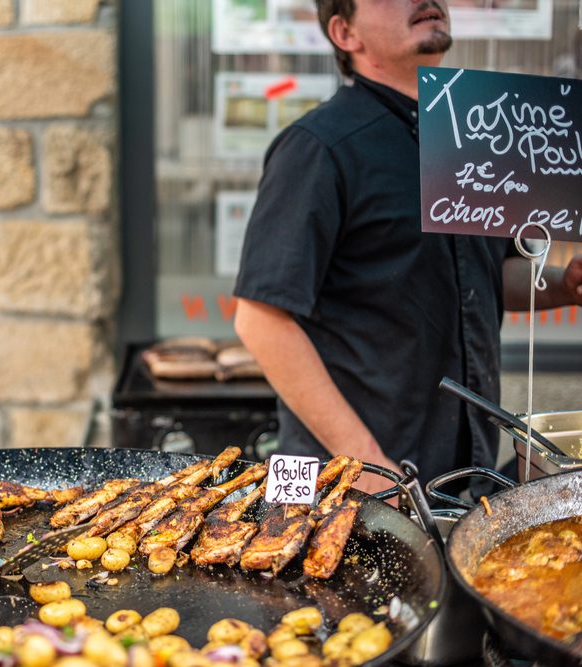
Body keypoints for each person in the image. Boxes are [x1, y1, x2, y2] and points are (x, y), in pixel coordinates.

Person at [232, 0, 582, 495]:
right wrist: (370, 467)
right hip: (334, 484)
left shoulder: (472, 136)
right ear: (344, 32)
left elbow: (483, 281)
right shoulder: (316, 147)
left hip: (452, 476)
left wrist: (563, 285)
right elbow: (260, 321)